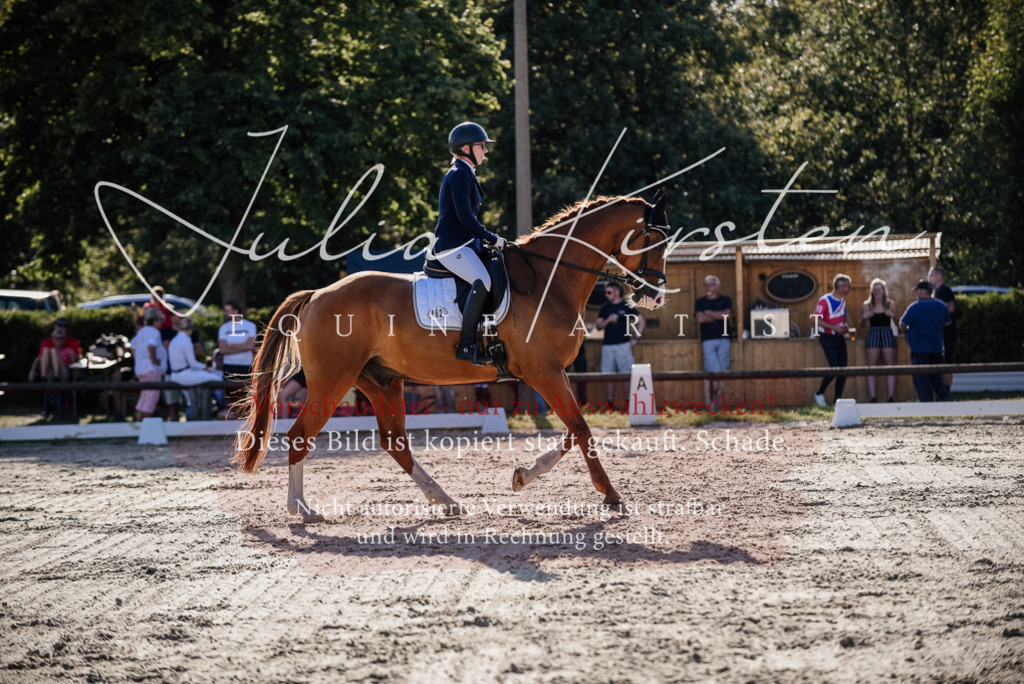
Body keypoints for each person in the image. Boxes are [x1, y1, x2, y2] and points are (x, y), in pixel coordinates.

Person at [432, 121, 507, 365]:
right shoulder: (458, 175)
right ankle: (466, 345)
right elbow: (465, 217)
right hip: (452, 246)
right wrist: (491, 237)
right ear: (466, 148)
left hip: (464, 243)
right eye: (481, 146)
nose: (485, 151)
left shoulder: (465, 174)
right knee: (482, 280)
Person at [900, 280, 951, 402]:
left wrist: (906, 333)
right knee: (937, 377)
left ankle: (926, 403)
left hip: (919, 349)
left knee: (921, 379)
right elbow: (948, 322)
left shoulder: (914, 307)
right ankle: (944, 400)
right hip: (937, 348)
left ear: (922, 291)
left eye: (917, 291)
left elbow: (902, 323)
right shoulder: (941, 305)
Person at [596, 282, 644, 407]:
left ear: (617, 292)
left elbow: (641, 321)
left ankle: (629, 402)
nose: (606, 295)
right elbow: (598, 326)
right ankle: (610, 402)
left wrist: (636, 338)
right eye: (606, 292)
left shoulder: (626, 305)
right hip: (607, 345)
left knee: (626, 374)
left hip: (623, 345)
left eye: (609, 292)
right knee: (608, 375)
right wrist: (608, 320)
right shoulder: (605, 308)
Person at [812, 274, 851, 407]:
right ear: (840, 287)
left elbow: (842, 318)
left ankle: (837, 401)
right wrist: (834, 327)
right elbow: (816, 319)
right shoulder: (825, 300)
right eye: (846, 286)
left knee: (843, 370)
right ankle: (819, 393)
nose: (849, 288)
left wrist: (845, 327)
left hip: (839, 337)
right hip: (827, 337)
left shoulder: (843, 302)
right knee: (834, 367)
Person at [694, 275, 732, 409]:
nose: (708, 287)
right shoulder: (700, 302)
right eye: (707, 285)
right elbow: (701, 319)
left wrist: (709, 312)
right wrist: (719, 316)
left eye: (711, 284)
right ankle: (711, 403)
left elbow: (727, 315)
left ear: (717, 286)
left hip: (724, 338)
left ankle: (721, 404)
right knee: (712, 370)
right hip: (708, 339)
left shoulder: (726, 300)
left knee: (722, 370)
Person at [859, 277, 898, 402]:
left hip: (887, 333)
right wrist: (865, 318)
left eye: (879, 290)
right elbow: (862, 325)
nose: (877, 292)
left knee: (890, 366)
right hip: (873, 334)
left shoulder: (890, 304)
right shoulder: (867, 305)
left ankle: (890, 397)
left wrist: (892, 316)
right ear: (872, 291)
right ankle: (873, 397)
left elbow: (898, 322)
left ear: (883, 290)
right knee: (871, 367)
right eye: (874, 290)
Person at [218, 300, 257, 415]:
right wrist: (242, 347)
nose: (225, 313)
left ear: (236, 311)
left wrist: (231, 346)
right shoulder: (223, 328)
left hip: (246, 365)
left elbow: (251, 345)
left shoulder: (250, 325)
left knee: (246, 395)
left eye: (227, 310)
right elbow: (223, 349)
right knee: (231, 397)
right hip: (229, 366)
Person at [130, 307, 166, 421]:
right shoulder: (154, 332)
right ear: (155, 321)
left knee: (144, 397)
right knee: (151, 399)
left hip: (141, 369)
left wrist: (139, 358)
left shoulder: (141, 332)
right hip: (151, 369)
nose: (161, 322)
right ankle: (146, 427)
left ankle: (139, 424)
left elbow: (132, 346)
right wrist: (154, 359)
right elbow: (151, 345)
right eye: (160, 320)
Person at [168, 317, 223, 386]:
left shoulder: (174, 340)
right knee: (217, 378)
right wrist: (206, 368)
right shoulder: (186, 340)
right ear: (190, 328)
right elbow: (193, 363)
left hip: (174, 375)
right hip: (184, 375)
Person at [928, 267, 957, 389]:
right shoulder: (937, 291)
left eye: (931, 276)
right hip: (940, 333)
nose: (929, 279)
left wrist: (935, 306)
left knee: (947, 362)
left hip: (947, 333)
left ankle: (946, 391)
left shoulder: (944, 290)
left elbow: (951, 308)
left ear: (939, 276)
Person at [28, 318, 81, 383]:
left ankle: (55, 378)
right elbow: (39, 358)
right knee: (48, 351)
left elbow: (76, 361)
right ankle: (43, 378)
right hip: (48, 370)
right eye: (60, 325)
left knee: (53, 351)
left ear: (64, 339)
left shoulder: (72, 345)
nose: (59, 340)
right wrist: (32, 370)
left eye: (65, 326)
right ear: (53, 338)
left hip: (63, 370)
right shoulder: (46, 343)